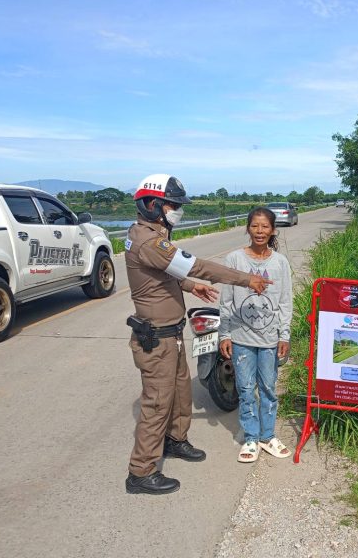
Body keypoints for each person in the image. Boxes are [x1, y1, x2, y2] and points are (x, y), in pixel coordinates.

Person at [124, 174, 271, 495]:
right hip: (155, 338)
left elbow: (170, 275)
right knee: (157, 402)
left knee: (180, 394)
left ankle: (175, 441)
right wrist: (247, 279)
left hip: (171, 334)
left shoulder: (150, 237)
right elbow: (195, 265)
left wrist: (191, 287)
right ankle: (141, 471)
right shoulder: (150, 241)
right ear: (152, 205)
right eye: (172, 205)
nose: (178, 211)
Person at [218, 206, 293, 463]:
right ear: (247, 228)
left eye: (265, 227)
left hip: (271, 339)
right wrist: (224, 334)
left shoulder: (280, 262)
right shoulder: (234, 260)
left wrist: (285, 335)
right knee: (246, 388)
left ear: (273, 230)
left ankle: (267, 435)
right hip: (241, 338)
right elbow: (226, 300)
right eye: (254, 226)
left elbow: (285, 302)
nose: (259, 231)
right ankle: (251, 437)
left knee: (269, 388)